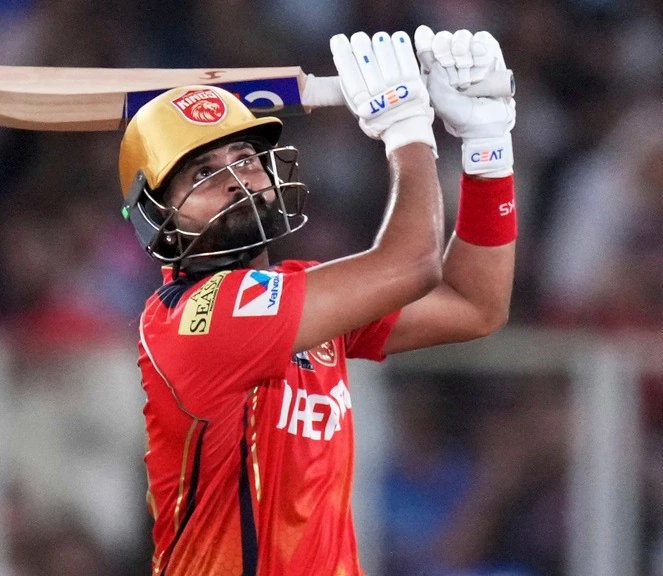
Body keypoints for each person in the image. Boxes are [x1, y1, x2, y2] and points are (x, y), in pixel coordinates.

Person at [117, 25, 517, 575]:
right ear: (156, 216)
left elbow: (474, 305)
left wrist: (488, 149)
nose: (236, 179)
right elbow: (412, 265)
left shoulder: (300, 296)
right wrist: (406, 129)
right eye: (203, 173)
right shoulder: (194, 319)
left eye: (245, 157)